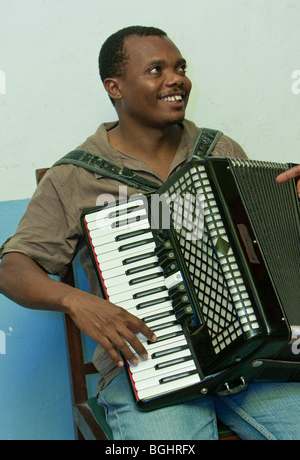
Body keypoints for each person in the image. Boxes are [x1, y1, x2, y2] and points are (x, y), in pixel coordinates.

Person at [0, 26, 299, 440]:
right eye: (156, 70)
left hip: (249, 359)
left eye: (180, 68)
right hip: (143, 363)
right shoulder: (76, 175)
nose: (175, 78)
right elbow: (12, 268)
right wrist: (74, 300)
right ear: (115, 87)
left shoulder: (218, 151)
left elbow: (268, 252)